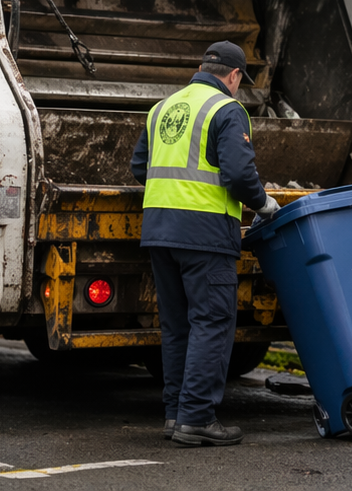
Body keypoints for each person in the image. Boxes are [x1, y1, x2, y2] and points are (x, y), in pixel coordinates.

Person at [131, 41, 280, 447]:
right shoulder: (227, 110)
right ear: (233, 76)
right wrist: (265, 204)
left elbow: (139, 167)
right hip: (206, 235)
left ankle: (176, 414)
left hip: (160, 231)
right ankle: (196, 419)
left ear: (202, 67)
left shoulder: (162, 109)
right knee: (211, 324)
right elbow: (237, 172)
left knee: (178, 328)